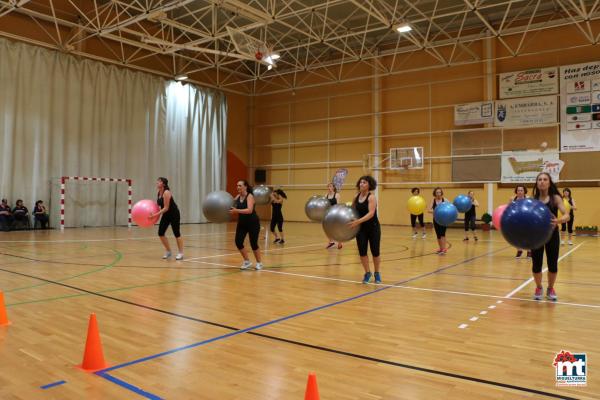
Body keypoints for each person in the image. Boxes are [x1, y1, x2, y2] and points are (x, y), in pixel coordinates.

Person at [531, 172, 569, 301]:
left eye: (545, 179)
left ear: (549, 182)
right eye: (539, 179)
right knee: (536, 265)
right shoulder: (533, 200)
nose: (542, 181)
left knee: (552, 264)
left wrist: (557, 221)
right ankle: (539, 287)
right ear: (537, 183)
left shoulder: (556, 198)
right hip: (536, 236)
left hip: (552, 235)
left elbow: (566, 215)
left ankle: (550, 288)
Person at [348, 176, 381, 284]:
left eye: (364, 182)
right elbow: (352, 210)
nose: (362, 184)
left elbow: (371, 214)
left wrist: (357, 222)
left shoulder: (371, 197)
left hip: (373, 227)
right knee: (362, 252)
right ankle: (367, 273)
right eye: (361, 182)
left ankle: (377, 273)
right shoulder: (356, 197)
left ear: (369, 185)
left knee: (375, 252)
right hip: (361, 229)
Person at [229, 180, 263, 270]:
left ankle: (259, 263)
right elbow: (231, 205)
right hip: (242, 223)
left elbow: (249, 210)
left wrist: (236, 211)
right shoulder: (237, 197)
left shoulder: (250, 196)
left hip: (253, 223)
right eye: (237, 185)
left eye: (240, 185)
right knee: (238, 242)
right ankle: (247, 261)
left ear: (245, 187)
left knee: (254, 244)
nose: (238, 187)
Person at [150, 177, 184, 260]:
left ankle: (181, 253)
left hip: (174, 214)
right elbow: (159, 207)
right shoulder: (159, 193)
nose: (157, 182)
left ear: (164, 184)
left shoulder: (166, 192)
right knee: (160, 233)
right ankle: (168, 251)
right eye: (157, 181)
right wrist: (154, 216)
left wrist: (154, 215)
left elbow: (166, 208)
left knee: (176, 233)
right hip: (166, 215)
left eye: (159, 181)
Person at [511, 185, 531, 258]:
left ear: (524, 191)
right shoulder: (513, 199)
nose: (519, 192)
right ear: (516, 191)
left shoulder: (528, 198)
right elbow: (510, 209)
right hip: (516, 220)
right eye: (518, 190)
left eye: (521, 190)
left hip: (526, 220)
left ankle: (529, 251)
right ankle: (519, 250)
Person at [427, 187, 448, 255]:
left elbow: (450, 208)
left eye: (439, 192)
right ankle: (441, 248)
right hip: (436, 220)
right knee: (438, 235)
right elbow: (429, 210)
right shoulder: (433, 201)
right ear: (435, 194)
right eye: (437, 192)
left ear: (441, 193)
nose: (438, 194)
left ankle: (444, 249)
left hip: (444, 220)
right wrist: (436, 211)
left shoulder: (445, 200)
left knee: (442, 234)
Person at [325, 183, 342, 249]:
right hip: (328, 214)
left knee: (337, 229)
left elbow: (338, 205)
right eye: (328, 186)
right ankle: (331, 242)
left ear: (333, 187)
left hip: (335, 213)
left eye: (330, 186)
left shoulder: (337, 195)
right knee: (328, 229)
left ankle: (340, 242)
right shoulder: (326, 195)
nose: (329, 187)